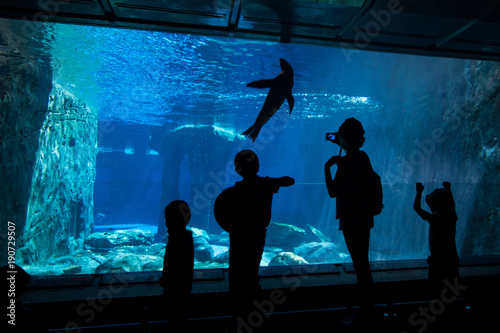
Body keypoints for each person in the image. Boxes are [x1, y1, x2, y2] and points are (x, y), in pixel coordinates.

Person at [229, 149, 295, 324]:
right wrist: (273, 181)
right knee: (252, 271)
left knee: (237, 272)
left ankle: (238, 314)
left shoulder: (237, 189)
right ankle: (252, 314)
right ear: (257, 166)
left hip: (239, 235)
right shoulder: (265, 184)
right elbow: (290, 181)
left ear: (238, 169)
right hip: (257, 234)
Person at [324, 117, 375, 317]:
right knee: (363, 261)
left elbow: (332, 191)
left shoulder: (344, 163)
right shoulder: (364, 157)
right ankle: (368, 305)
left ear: (344, 139)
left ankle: (366, 310)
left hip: (350, 218)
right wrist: (342, 140)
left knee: (359, 263)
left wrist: (328, 168)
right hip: (365, 216)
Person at [414, 181, 459, 295]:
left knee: (436, 288)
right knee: (452, 287)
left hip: (437, 259)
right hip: (451, 258)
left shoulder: (435, 220)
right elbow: (452, 206)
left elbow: (417, 208)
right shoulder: (451, 218)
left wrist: (419, 192)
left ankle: (436, 304)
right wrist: (448, 190)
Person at [159, 200, 194, 331]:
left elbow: (172, 264)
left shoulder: (177, 240)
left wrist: (166, 280)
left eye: (168, 218)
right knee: (180, 315)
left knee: (176, 316)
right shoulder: (185, 237)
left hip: (175, 287)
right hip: (184, 287)